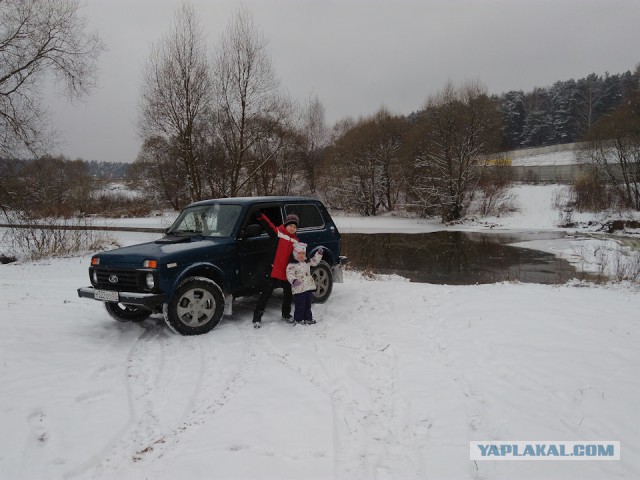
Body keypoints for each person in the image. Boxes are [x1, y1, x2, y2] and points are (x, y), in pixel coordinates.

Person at [252, 212, 300, 328]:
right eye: (290, 225)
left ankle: (286, 314)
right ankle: (257, 317)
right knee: (266, 294)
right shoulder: (278, 233)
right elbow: (269, 225)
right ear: (286, 224)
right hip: (273, 270)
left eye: (295, 227)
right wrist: (261, 216)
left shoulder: (296, 241)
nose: (292, 228)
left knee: (288, 294)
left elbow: (300, 255)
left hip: (287, 272)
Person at [286, 242, 323, 325]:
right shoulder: (292, 265)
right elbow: (289, 274)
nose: (301, 255)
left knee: (307, 305)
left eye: (303, 253)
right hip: (299, 289)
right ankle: (298, 320)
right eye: (299, 253)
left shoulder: (307, 262)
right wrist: (294, 280)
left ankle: (308, 318)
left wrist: (318, 254)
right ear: (295, 253)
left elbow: (314, 261)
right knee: (300, 305)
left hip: (308, 288)